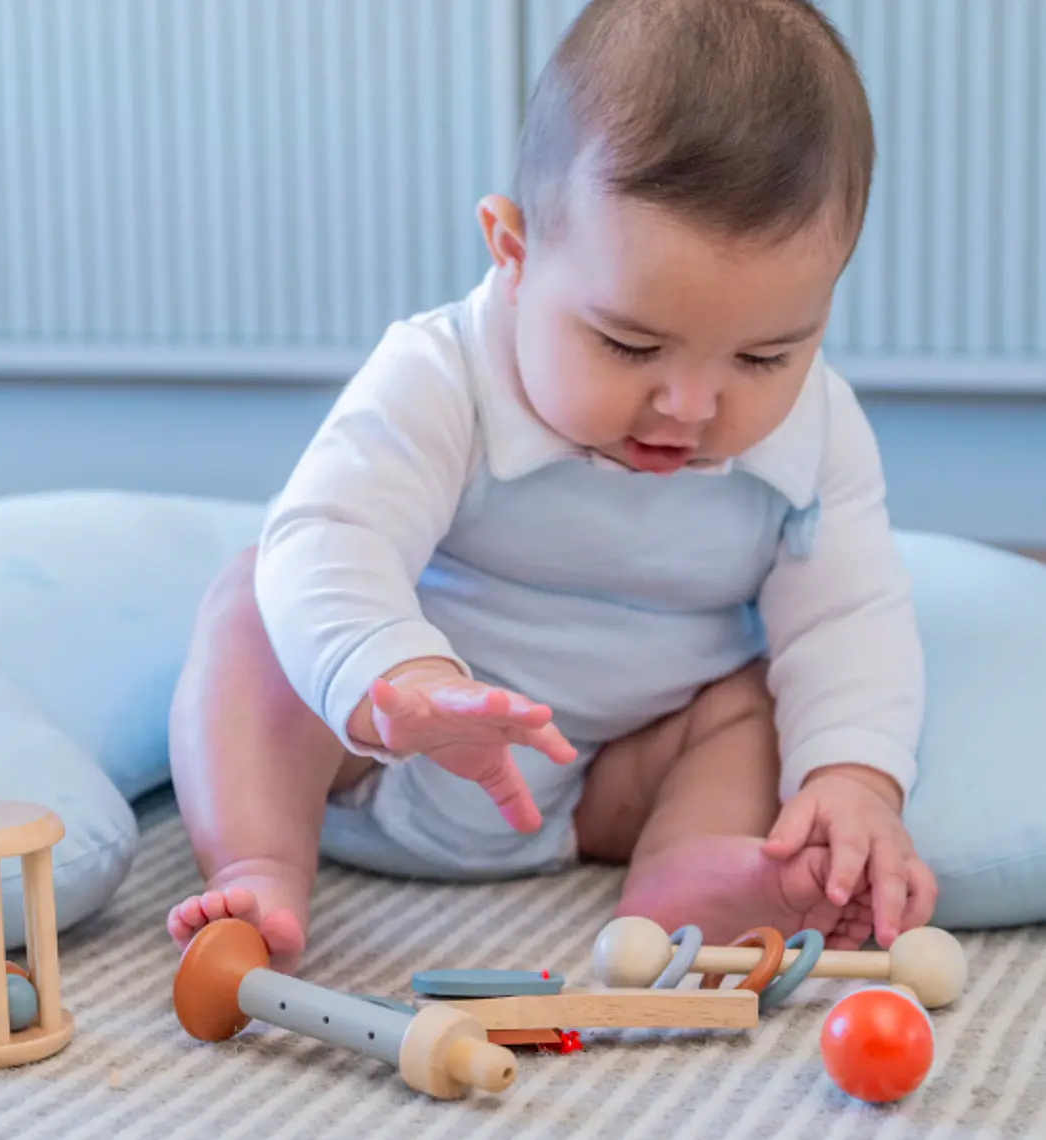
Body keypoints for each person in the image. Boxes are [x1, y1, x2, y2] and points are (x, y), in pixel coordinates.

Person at [167, 0, 938, 971]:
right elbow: (335, 531)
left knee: (752, 702)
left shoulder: (819, 435)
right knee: (254, 603)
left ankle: (688, 870)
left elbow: (850, 619)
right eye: (629, 342)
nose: (691, 406)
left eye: (765, 355)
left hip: (611, 780)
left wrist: (855, 777)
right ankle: (258, 865)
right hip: (378, 756)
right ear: (515, 255)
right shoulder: (443, 374)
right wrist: (394, 680)